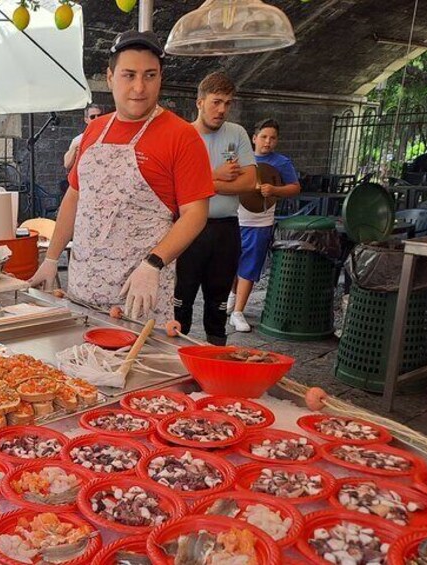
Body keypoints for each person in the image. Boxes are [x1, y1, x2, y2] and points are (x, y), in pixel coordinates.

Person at [28, 30, 214, 323]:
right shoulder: (94, 130)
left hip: (137, 296)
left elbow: (195, 214)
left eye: (150, 76)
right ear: (111, 76)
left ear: (160, 78)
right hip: (81, 289)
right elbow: (75, 197)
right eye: (129, 75)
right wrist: (51, 258)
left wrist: (153, 263)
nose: (139, 87)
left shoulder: (182, 136)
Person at [174, 72, 257, 345]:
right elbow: (175, 188)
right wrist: (219, 175)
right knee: (180, 301)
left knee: (218, 304)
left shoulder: (237, 133)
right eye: (216, 102)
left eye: (228, 103)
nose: (222, 109)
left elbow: (250, 182)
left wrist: (204, 182)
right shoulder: (181, 135)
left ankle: (215, 361)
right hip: (187, 228)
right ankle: (174, 360)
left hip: (225, 228)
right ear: (199, 102)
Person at [228, 118, 301, 332]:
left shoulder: (281, 162)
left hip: (260, 222)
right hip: (234, 217)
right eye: (264, 137)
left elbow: (295, 187)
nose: (268, 142)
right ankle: (232, 297)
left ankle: (238, 311)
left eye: (273, 138)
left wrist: (275, 190)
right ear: (254, 138)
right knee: (230, 263)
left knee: (249, 266)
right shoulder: (238, 156)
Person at [63, 104, 104, 170]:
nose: (97, 119)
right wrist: (74, 148)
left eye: (99, 116)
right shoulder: (78, 139)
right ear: (86, 120)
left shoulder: (109, 135)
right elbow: (67, 165)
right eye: (93, 117)